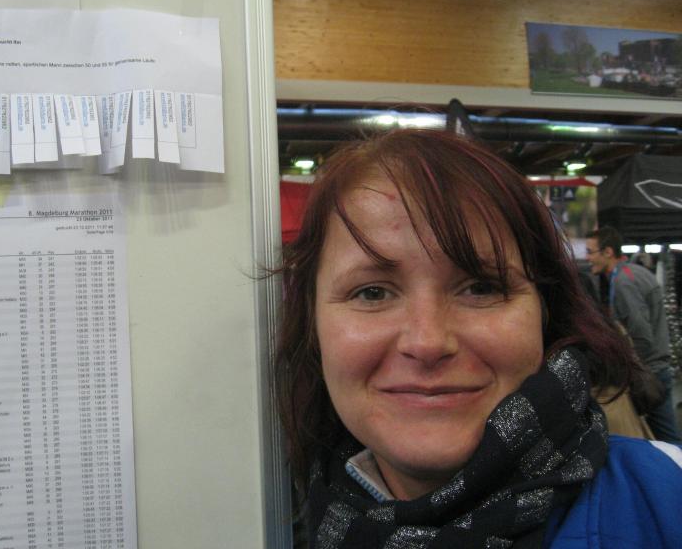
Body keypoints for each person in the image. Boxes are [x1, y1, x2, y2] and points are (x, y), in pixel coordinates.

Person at [274, 130, 682, 548]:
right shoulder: (279, 524)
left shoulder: (667, 498)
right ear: (312, 324)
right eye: (373, 292)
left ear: (546, 312)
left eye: (481, 288)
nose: (428, 342)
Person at [585, 226, 681, 443]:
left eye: (591, 252)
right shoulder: (634, 272)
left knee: (666, 438)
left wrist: (630, 370)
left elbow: (641, 335)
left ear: (608, 252)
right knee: (665, 436)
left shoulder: (623, 282)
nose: (588, 258)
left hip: (650, 370)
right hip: (656, 367)